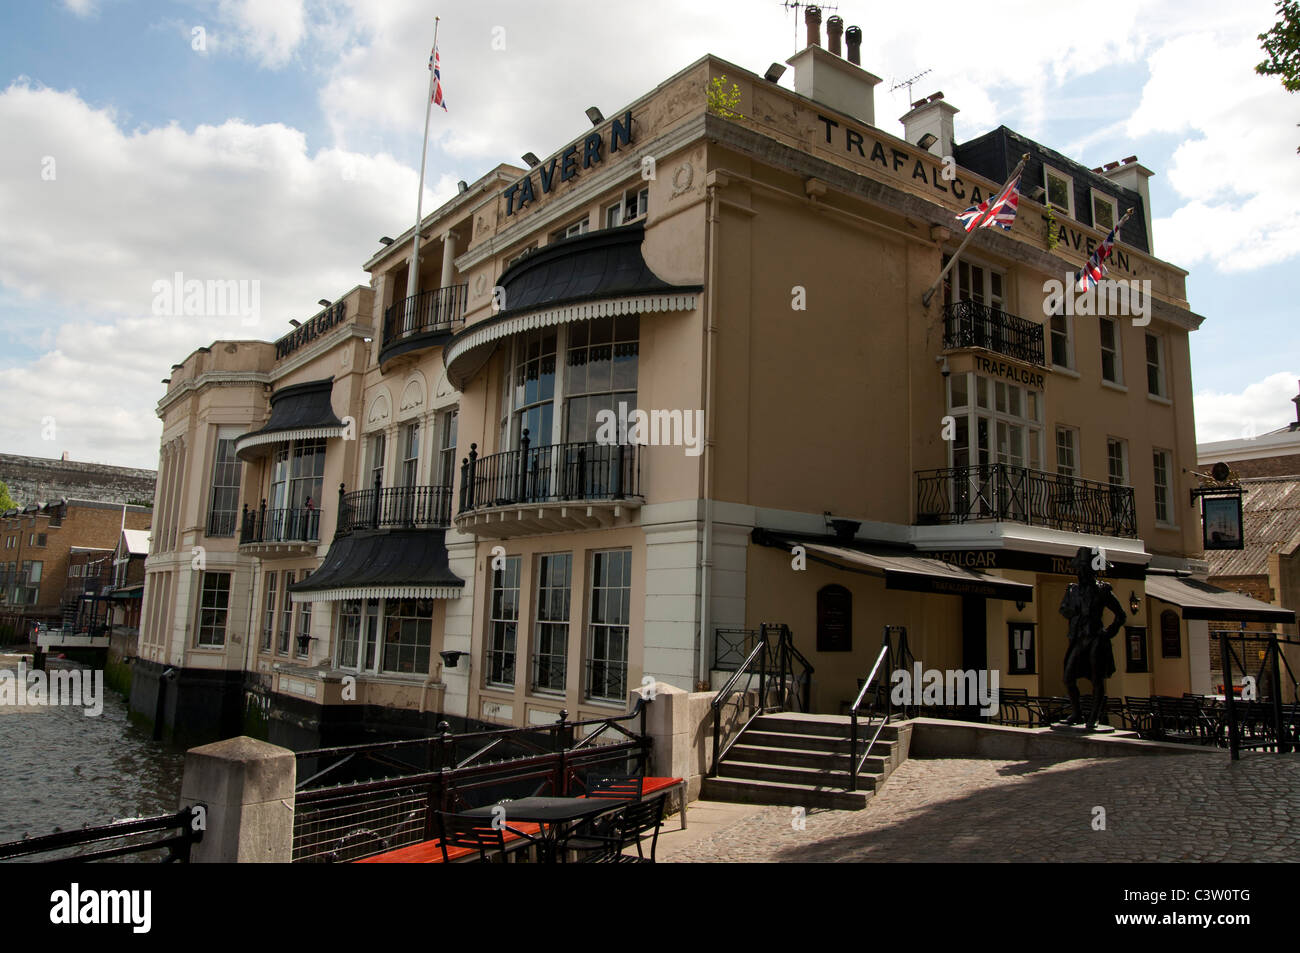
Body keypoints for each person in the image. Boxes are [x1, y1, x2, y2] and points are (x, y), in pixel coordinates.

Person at [1059, 545, 1125, 729]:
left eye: (1084, 569)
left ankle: (1094, 716)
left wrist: (1108, 633)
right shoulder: (1072, 591)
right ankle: (1077, 713)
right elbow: (1064, 609)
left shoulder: (1102, 591)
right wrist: (1073, 611)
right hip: (1078, 639)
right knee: (1068, 677)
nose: (1080, 573)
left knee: (1097, 679)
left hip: (1095, 638)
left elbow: (1121, 615)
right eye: (1079, 569)